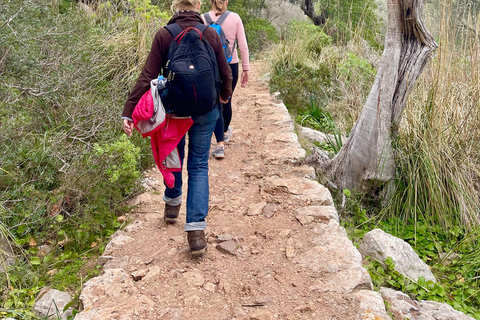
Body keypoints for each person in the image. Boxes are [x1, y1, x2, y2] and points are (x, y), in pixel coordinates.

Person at [121, 0, 233, 256]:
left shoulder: (164, 35)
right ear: (198, 5)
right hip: (206, 110)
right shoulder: (210, 33)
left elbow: (146, 75)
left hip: (174, 110)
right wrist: (224, 97)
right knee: (198, 165)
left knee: (174, 152)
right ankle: (195, 232)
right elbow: (226, 73)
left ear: (175, 5)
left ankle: (172, 204)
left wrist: (129, 111)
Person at [202, 0, 250, 159]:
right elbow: (242, 45)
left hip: (209, 67)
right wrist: (246, 69)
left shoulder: (202, 19)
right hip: (231, 65)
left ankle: (217, 139)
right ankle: (223, 133)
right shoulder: (235, 18)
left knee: (214, 103)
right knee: (226, 101)